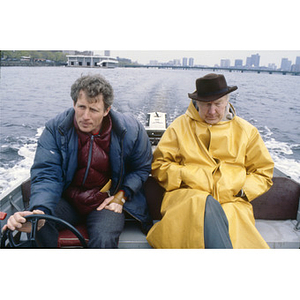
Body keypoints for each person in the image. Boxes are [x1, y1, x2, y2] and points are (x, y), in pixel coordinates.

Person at [2, 74, 153, 248]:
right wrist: (41, 210)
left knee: (105, 237)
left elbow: (141, 168)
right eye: (81, 107)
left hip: (104, 201)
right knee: (39, 223)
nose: (85, 116)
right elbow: (46, 174)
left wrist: (121, 195)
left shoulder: (131, 131)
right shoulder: (55, 129)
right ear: (74, 104)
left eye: (94, 110)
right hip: (66, 200)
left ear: (107, 110)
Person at [146, 73, 274, 249]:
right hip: (187, 198)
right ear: (197, 103)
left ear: (227, 102)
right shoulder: (179, 126)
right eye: (206, 105)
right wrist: (188, 176)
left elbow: (263, 172)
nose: (212, 111)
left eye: (218, 104)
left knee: (230, 221)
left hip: (232, 201)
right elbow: (159, 166)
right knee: (202, 209)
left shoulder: (247, 131)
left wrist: (242, 190)